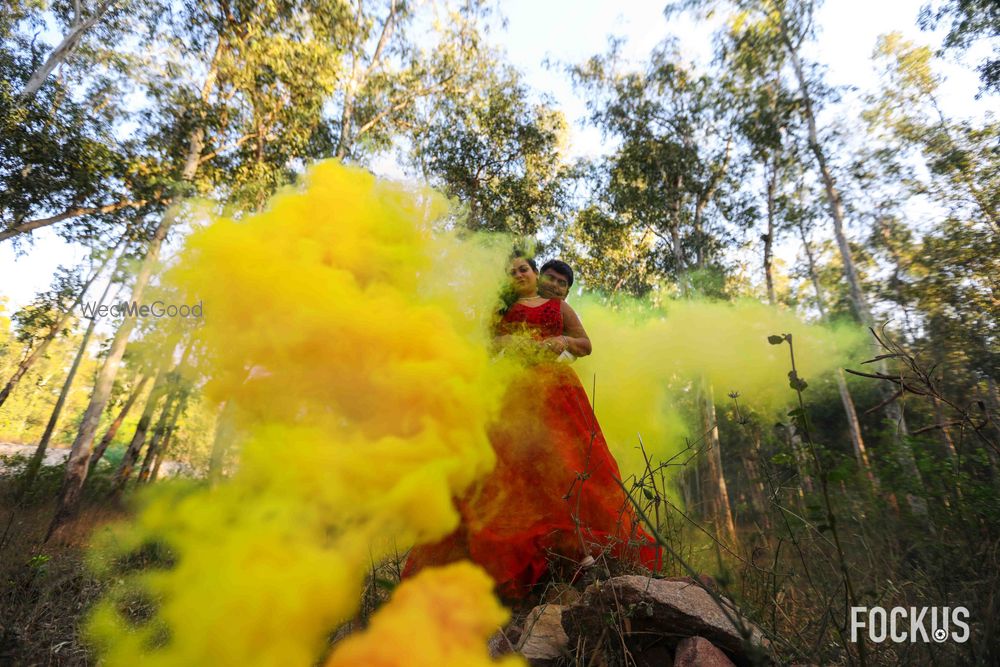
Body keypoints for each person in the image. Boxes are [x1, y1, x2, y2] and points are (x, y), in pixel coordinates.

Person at [402, 254, 660, 600]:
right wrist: (505, 344)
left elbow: (585, 344)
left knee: (566, 462)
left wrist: (562, 342)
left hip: (557, 394)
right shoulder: (501, 307)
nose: (519, 274)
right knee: (507, 467)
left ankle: (578, 550)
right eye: (511, 272)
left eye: (524, 268)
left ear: (534, 273)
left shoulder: (557, 308)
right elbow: (484, 344)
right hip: (512, 393)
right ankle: (497, 563)